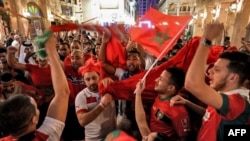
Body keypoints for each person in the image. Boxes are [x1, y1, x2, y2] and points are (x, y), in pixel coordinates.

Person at [183, 22, 250, 141]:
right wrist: (187, 103)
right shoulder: (224, 97)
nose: (209, 72)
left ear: (232, 78)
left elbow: (192, 83)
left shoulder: (238, 102)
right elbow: (212, 115)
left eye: (217, 70)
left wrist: (206, 39)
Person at [0, 32, 70, 140]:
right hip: (52, 101)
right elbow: (63, 93)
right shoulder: (46, 137)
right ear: (34, 119)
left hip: (51, 98)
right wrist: (52, 51)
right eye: (35, 108)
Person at [135, 67, 191, 141]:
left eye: (161, 79)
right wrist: (138, 93)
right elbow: (141, 122)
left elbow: (184, 138)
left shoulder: (179, 112)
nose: (156, 80)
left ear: (171, 88)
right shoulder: (161, 95)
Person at [75, 60, 116, 141]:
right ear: (84, 81)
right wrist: (102, 105)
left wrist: (114, 84)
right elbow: (82, 121)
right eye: (88, 79)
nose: (92, 82)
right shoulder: (81, 96)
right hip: (93, 139)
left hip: (112, 137)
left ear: (99, 77)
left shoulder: (108, 88)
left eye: (94, 78)